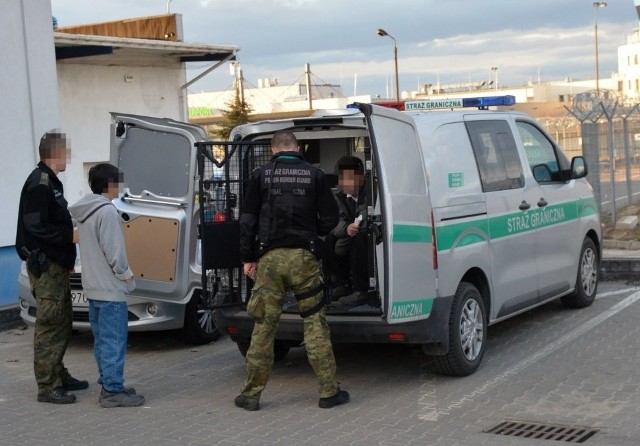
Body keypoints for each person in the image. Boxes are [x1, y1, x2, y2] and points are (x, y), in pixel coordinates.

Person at [235, 130, 349, 411]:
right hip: (304, 259)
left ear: (273, 150)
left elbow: (247, 221)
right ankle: (328, 392)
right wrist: (314, 233)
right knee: (314, 323)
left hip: (269, 260)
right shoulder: (315, 175)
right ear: (297, 148)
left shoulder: (261, 176)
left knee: (264, 326)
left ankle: (250, 395)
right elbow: (332, 218)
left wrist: (248, 258)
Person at [15, 130, 88, 404]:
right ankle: (47, 386)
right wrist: (67, 238)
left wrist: (66, 259)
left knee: (62, 323)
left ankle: (58, 373)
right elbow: (35, 226)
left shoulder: (51, 182)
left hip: (56, 265)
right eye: (65, 151)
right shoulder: (40, 183)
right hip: (45, 268)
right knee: (49, 326)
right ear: (55, 153)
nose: (68, 156)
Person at [68, 163, 145, 408]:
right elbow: (115, 253)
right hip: (110, 289)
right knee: (114, 340)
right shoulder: (107, 212)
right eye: (117, 182)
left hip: (92, 286)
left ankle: (110, 382)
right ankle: (112, 391)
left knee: (102, 340)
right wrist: (127, 276)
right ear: (110, 184)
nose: (119, 187)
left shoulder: (85, 212)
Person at [327, 156, 370, 307]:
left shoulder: (372, 192)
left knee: (360, 239)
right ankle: (342, 284)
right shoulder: (337, 195)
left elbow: (370, 215)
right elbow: (333, 220)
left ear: (361, 177)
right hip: (347, 233)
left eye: (349, 178)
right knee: (330, 239)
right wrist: (346, 228)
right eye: (341, 179)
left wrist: (357, 226)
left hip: (367, 235)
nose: (344, 183)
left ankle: (361, 290)